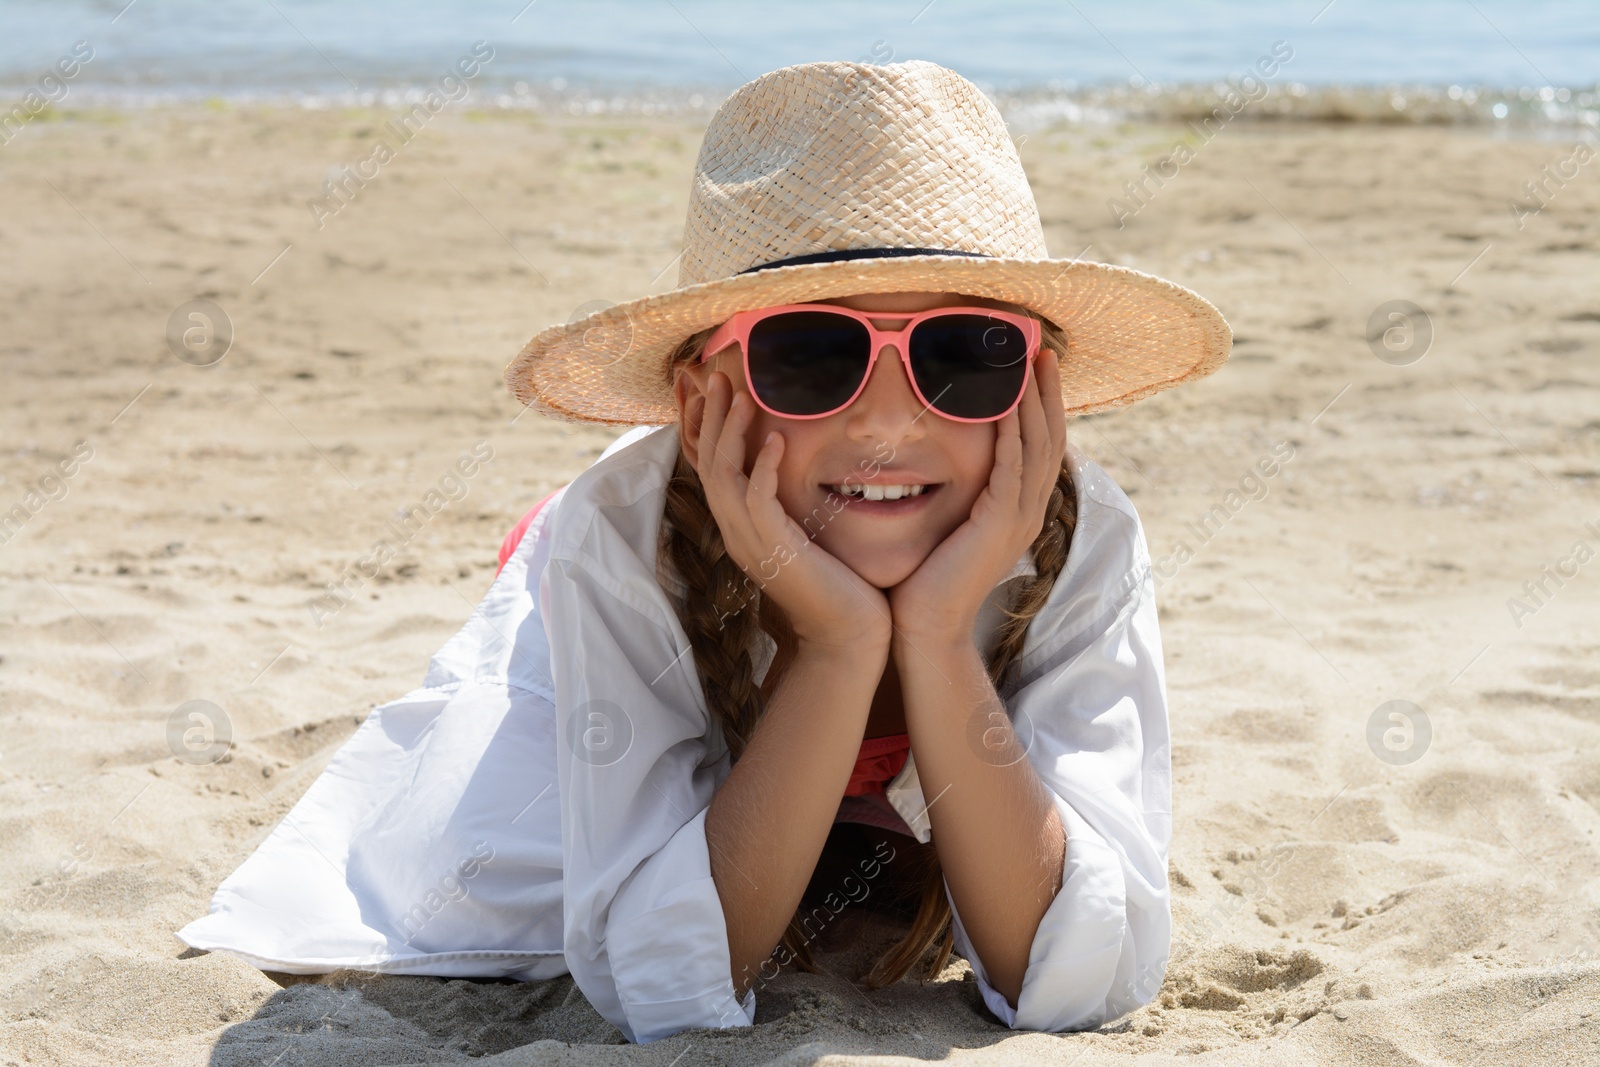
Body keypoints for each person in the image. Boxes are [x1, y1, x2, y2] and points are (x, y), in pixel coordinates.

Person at [178, 59, 1231, 1045]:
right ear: (701, 400)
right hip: (616, 564)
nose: (887, 425)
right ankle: (528, 551)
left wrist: (943, 635)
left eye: (963, 353)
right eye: (810, 355)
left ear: (1036, 390)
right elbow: (660, 984)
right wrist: (832, 644)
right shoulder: (619, 540)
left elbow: (1079, 975)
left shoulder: (1081, 535)